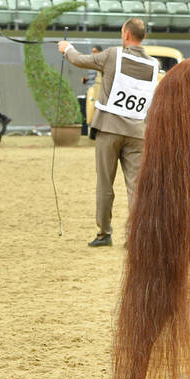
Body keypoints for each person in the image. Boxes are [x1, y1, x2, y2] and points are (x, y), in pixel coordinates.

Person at [58, 18, 158, 248]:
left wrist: (67, 48)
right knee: (136, 187)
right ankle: (137, 236)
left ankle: (104, 233)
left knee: (105, 185)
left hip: (109, 129)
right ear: (143, 37)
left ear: (126, 34)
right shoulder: (153, 65)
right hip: (137, 131)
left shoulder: (114, 55)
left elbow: (79, 60)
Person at [77, 45, 103, 136]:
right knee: (85, 110)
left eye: (95, 51)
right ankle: (84, 131)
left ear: (100, 52)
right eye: (92, 51)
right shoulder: (91, 64)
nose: (93, 53)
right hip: (89, 91)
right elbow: (91, 78)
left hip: (97, 92)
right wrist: (85, 79)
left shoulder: (101, 63)